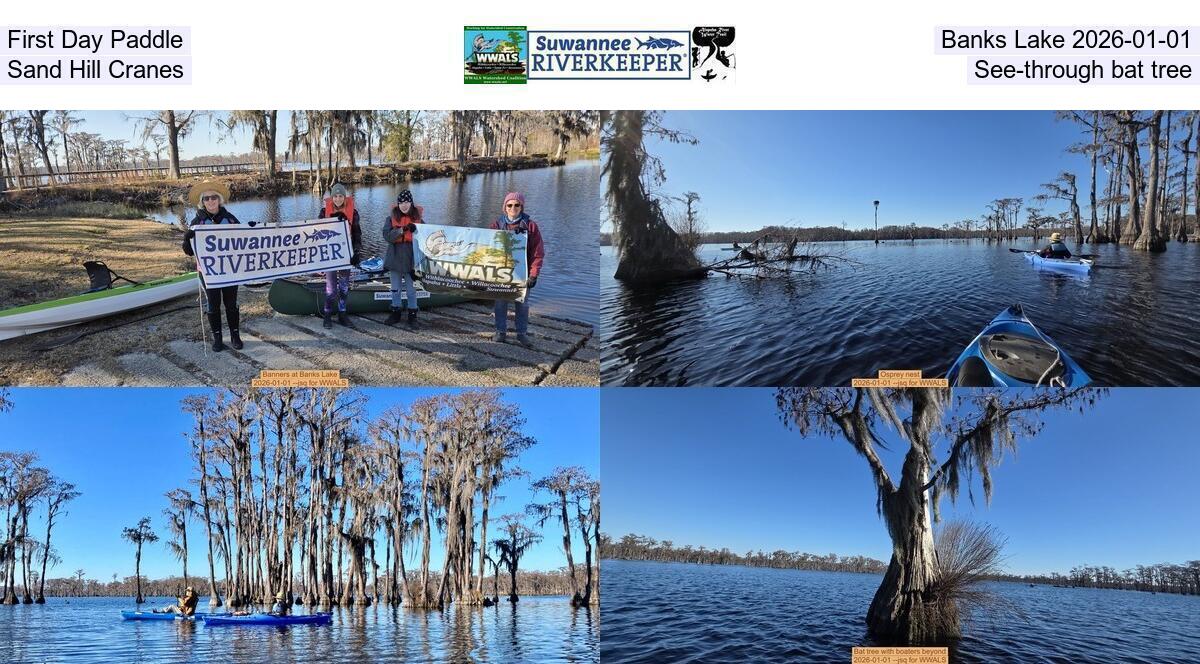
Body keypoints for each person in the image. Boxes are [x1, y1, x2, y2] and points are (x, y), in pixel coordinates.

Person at [182, 180, 243, 352]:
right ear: (202, 202)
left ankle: (235, 335)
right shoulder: (197, 222)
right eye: (206, 198)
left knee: (231, 304)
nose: (210, 201)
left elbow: (244, 243)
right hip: (208, 272)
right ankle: (217, 338)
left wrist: (252, 229)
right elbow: (189, 251)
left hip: (230, 269)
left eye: (214, 197)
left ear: (219, 199)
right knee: (213, 304)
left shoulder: (230, 219)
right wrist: (187, 238)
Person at [491, 192, 545, 347]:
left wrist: (534, 274)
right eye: (509, 205)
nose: (513, 208)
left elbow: (538, 253)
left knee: (522, 304)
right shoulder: (496, 225)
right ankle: (500, 331)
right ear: (505, 207)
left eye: (517, 205)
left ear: (522, 207)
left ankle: (521, 333)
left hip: (523, 273)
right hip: (501, 272)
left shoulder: (531, 226)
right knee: (500, 302)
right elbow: (487, 245)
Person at [317, 183, 363, 328]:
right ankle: (327, 315)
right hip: (330, 255)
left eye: (340, 196)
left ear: (344, 197)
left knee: (344, 288)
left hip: (346, 255)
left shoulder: (353, 212)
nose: (338, 199)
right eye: (335, 196)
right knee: (331, 290)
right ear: (332, 198)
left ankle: (342, 314)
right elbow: (316, 232)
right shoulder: (323, 212)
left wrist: (356, 252)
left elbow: (357, 234)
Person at [382, 189, 423, 328]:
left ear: (411, 203)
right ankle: (395, 313)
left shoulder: (419, 220)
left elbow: (426, 239)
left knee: (411, 290)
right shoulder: (390, 219)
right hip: (394, 260)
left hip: (411, 261)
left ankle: (413, 315)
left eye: (407, 202)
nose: (404, 205)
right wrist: (402, 230)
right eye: (401, 202)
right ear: (398, 204)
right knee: (395, 289)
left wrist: (417, 230)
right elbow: (387, 236)